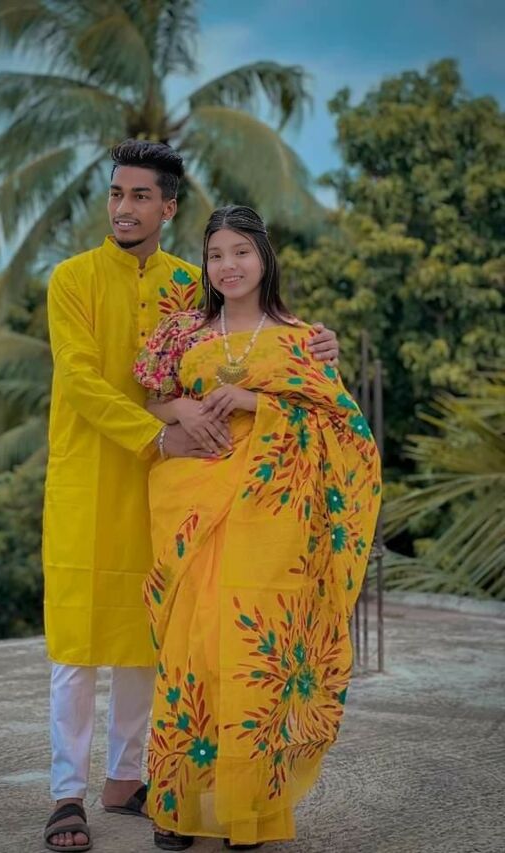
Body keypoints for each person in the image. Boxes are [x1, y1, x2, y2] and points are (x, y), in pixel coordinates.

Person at [43, 142, 340, 852]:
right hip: (94, 478)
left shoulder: (189, 284)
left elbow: (241, 342)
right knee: (76, 646)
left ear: (168, 207)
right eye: (116, 193)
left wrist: (317, 344)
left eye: (141, 196)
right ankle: (66, 793)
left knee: (154, 636)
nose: (124, 208)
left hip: (175, 491)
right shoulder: (72, 279)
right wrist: (160, 430)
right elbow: (82, 380)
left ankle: (125, 779)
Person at [134, 205, 381, 850]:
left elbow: (345, 430)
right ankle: (176, 804)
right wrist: (182, 407)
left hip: (274, 523)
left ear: (265, 259)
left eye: (241, 251)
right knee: (194, 647)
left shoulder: (303, 340)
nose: (229, 266)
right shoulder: (183, 333)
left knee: (252, 654)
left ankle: (249, 812)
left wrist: (258, 403)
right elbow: (152, 400)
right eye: (216, 254)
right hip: (195, 510)